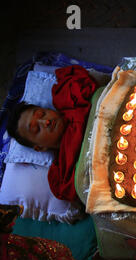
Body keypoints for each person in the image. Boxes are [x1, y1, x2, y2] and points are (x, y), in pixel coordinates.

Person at [6, 65, 98, 203]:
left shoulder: (71, 101)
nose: (46, 121)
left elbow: (76, 76)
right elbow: (84, 192)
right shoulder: (61, 175)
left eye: (42, 113)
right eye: (36, 129)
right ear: (40, 147)